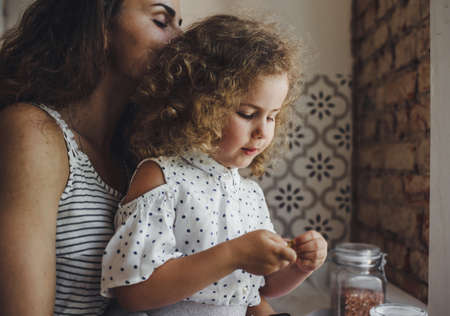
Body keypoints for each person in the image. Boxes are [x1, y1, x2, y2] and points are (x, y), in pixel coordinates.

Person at [101, 15, 328, 316]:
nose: (263, 131)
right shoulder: (162, 178)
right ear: (200, 105)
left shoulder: (250, 195)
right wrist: (233, 254)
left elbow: (257, 290)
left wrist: (300, 267)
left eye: (272, 116)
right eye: (248, 113)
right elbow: (132, 291)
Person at [0, 1, 183, 315]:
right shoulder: (33, 133)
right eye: (161, 21)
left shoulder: (138, 159)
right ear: (101, 25)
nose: (181, 40)